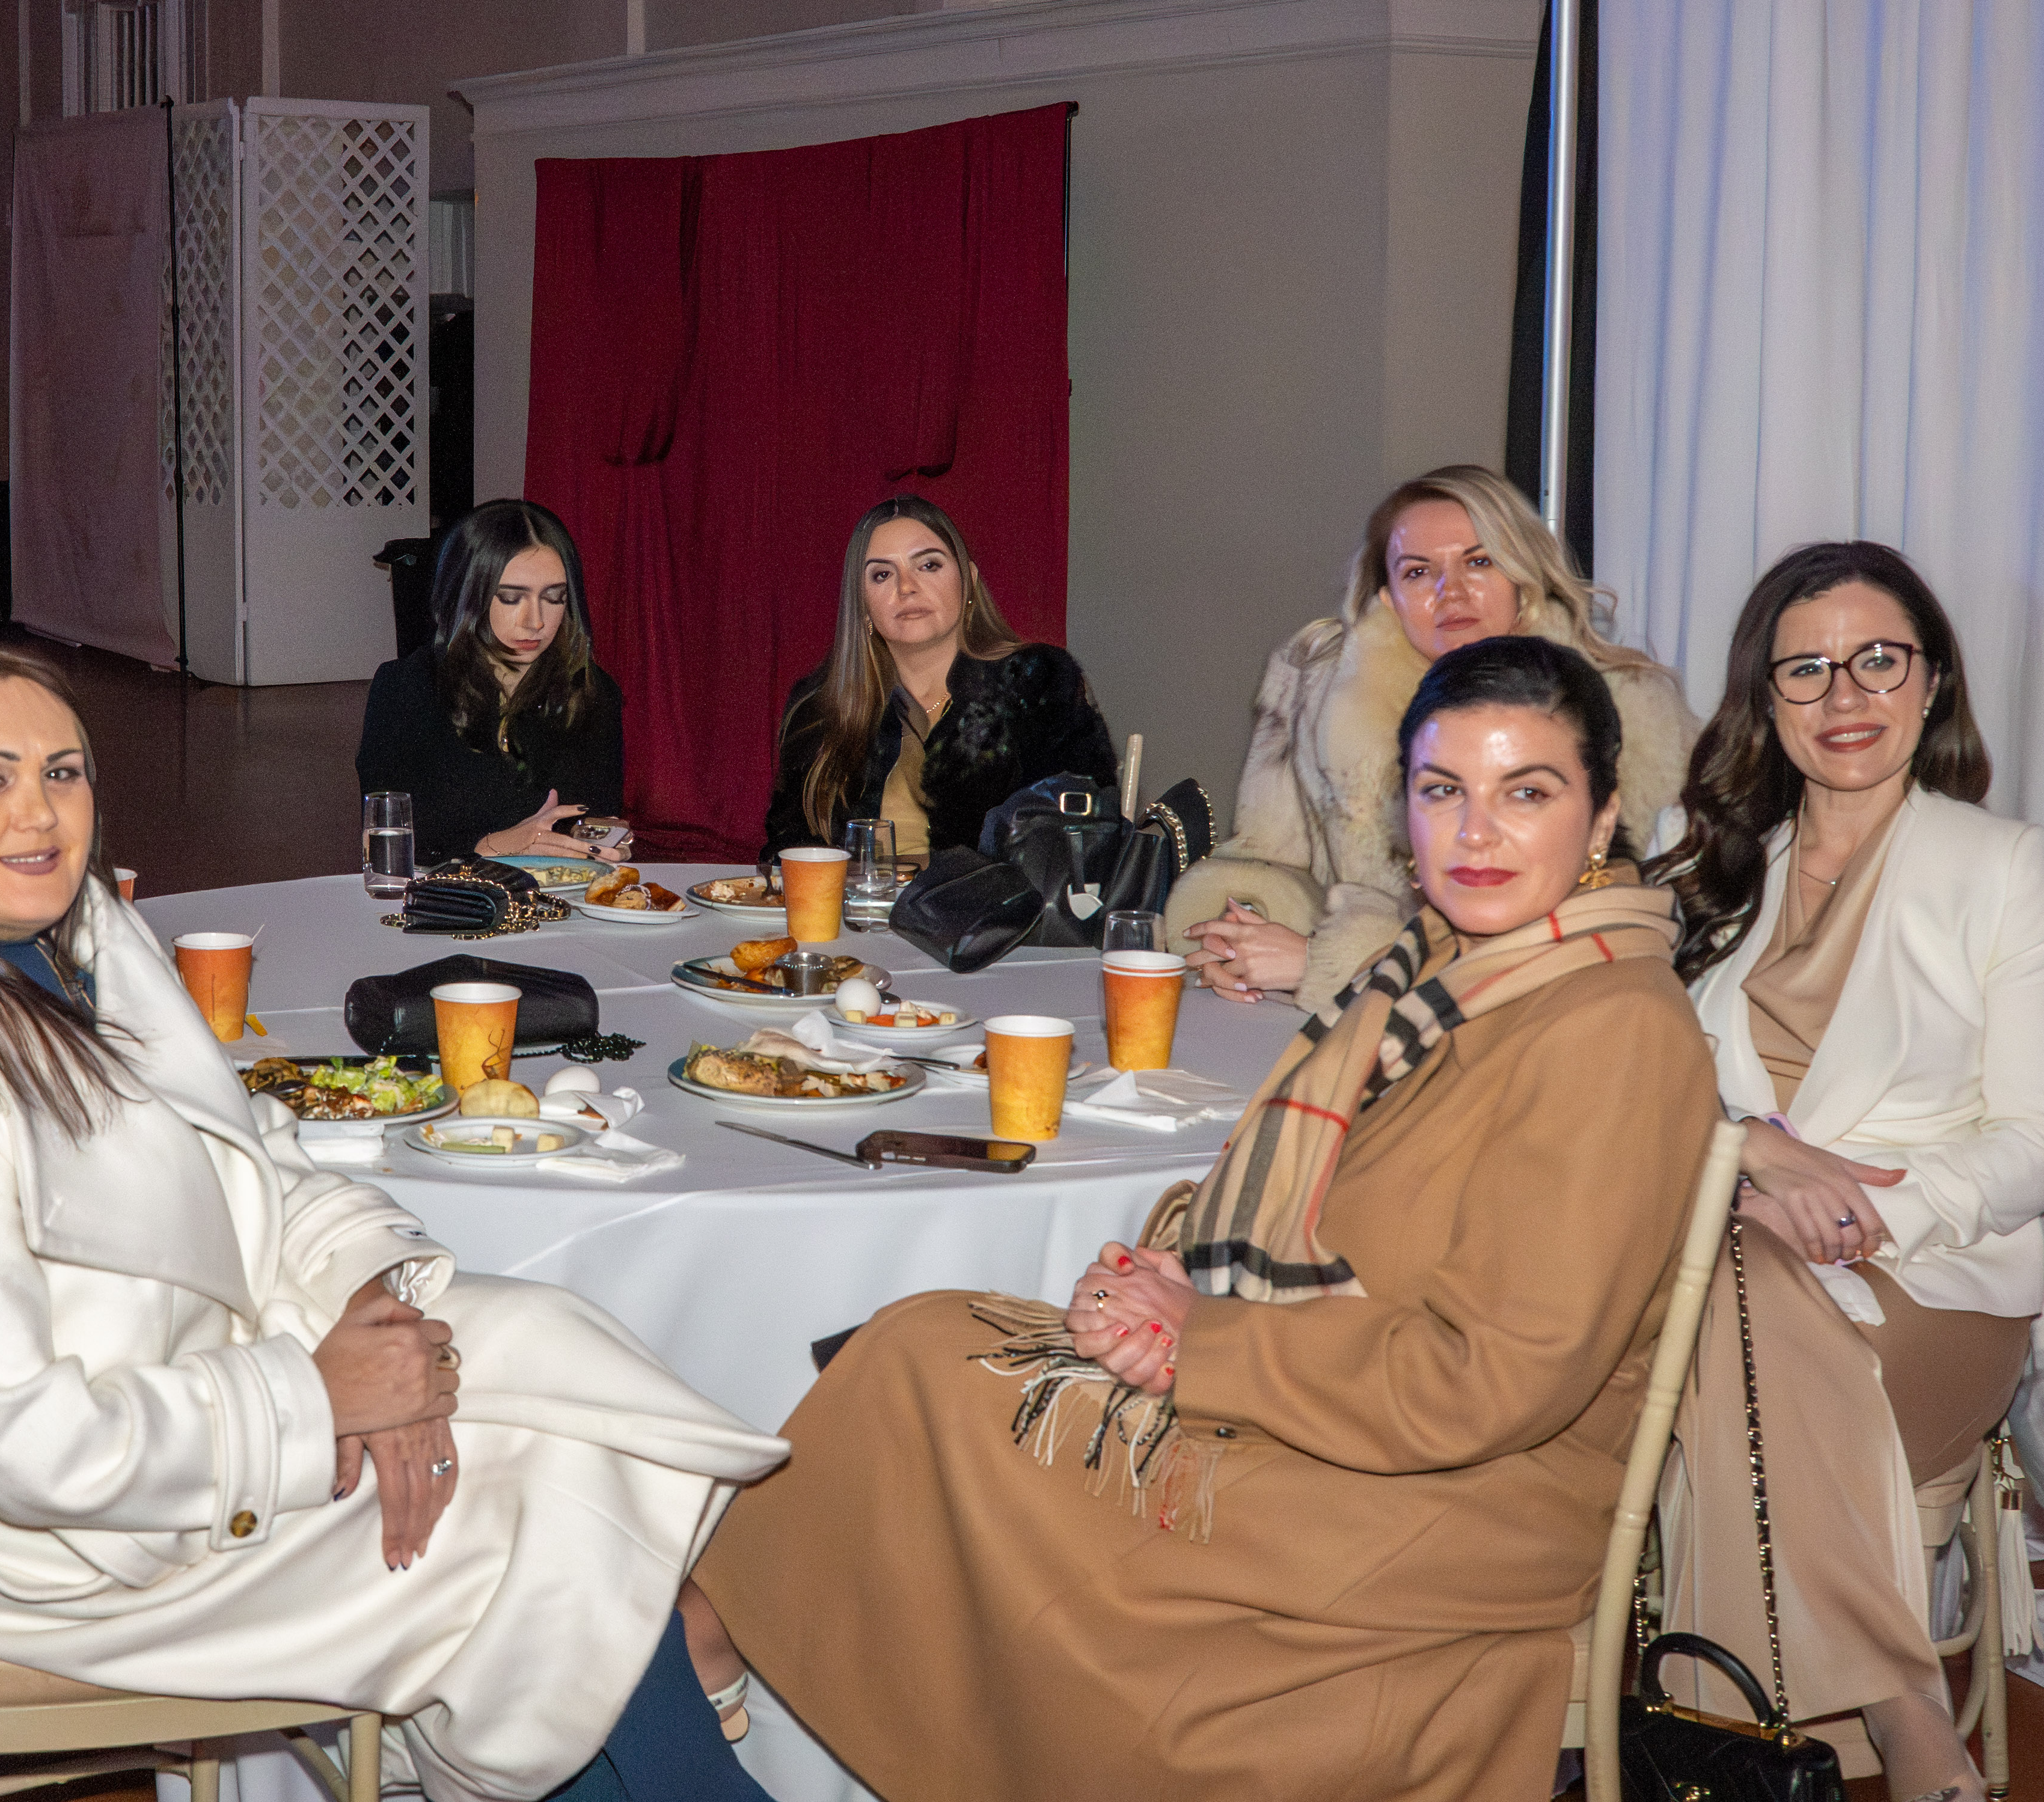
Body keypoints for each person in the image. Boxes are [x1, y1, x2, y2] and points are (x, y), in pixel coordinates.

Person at [688, 635, 1719, 1802]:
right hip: (1329, 1389)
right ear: (1404, 814)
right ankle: (712, 1651)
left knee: (922, 1374)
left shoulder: (1610, 1025)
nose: (1475, 831)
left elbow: (1493, 1379)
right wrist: (1163, 1263)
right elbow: (1295, 1189)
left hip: (1456, 1497)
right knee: (915, 1343)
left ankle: (702, 1665)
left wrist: (1199, 1338)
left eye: (1523, 791)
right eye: (1443, 791)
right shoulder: (1436, 970)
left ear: (1598, 822)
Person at [0, 638, 785, 1802]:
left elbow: (252, 1154)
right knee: (546, 1528)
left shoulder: (71, 938)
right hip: (72, 1539)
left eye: (63, 770)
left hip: (186, 1392)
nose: (41, 814)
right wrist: (318, 1399)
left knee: (555, 1377)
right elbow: (26, 1444)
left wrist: (373, 1306)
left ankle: (672, 1683)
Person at [1640, 543, 2044, 1802]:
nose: (1844, 694)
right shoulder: (1700, 854)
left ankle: (1751, 1732)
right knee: (1722, 1271)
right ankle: (1898, 1706)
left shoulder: (1995, 865)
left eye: (1876, 659)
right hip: (1728, 1253)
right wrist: (1748, 1155)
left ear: (1930, 679)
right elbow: (1630, 1074)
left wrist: (1864, 1213)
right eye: (1806, 668)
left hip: (1929, 1289)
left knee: (1713, 1292)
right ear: (1765, 702)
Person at [1175, 462, 1699, 1015]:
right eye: (1419, 573)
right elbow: (1270, 863)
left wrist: (1328, 964)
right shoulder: (1320, 687)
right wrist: (1236, 936)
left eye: (1479, 562)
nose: (1451, 593)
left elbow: (1613, 932)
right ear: (1387, 597)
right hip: (1339, 1020)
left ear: (1524, 581)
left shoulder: (1625, 707)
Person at [760, 495, 1111, 861]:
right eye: (882, 574)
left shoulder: (1036, 681)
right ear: (862, 604)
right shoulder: (819, 707)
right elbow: (788, 853)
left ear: (970, 581)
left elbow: (1080, 840)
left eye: (928, 565)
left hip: (995, 914)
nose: (906, 587)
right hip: (851, 916)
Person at [355, 499, 627, 864]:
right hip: (449, 901)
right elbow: (385, 847)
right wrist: (497, 845)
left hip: (560, 899)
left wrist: (601, 840)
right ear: (467, 594)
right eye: (512, 598)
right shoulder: (406, 688)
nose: (536, 621)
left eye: (555, 598)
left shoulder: (592, 692)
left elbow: (594, 820)